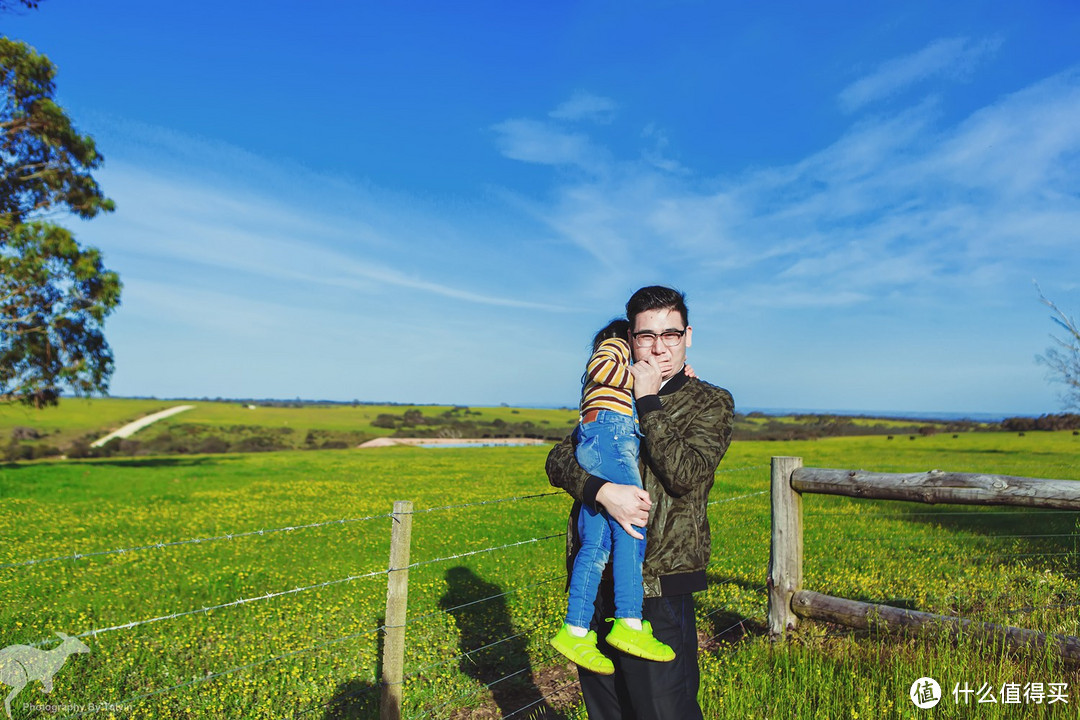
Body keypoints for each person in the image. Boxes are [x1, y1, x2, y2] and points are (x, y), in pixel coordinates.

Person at [547, 285, 734, 720]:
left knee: (664, 710)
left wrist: (649, 400)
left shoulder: (709, 400)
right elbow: (559, 458)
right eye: (646, 335)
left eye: (670, 335)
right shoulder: (612, 391)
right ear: (630, 339)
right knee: (607, 710)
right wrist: (601, 492)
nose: (658, 347)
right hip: (596, 581)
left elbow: (684, 475)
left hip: (660, 584)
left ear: (687, 335)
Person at [550, 319, 676, 676]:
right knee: (633, 524)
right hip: (611, 436)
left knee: (597, 541)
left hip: (598, 439)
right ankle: (629, 622)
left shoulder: (613, 371)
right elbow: (604, 368)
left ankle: (575, 630)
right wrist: (639, 377)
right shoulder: (615, 347)